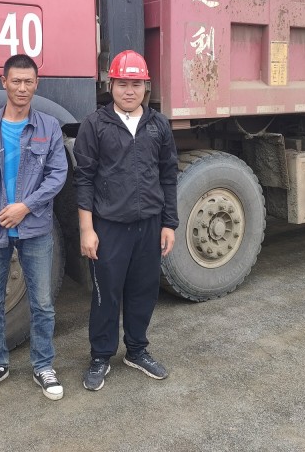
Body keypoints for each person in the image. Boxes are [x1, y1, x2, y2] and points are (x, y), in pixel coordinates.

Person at [0, 54, 67, 400]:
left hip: (34, 227)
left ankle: (43, 365)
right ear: (3, 82)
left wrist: (25, 207)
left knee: (42, 303)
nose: (22, 88)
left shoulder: (49, 127)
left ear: (37, 84)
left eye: (28, 82)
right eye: (16, 81)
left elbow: (58, 175)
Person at [73, 50, 179, 391]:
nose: (129, 91)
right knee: (106, 294)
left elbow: (168, 175)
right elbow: (84, 179)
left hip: (149, 225)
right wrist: (87, 229)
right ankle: (101, 356)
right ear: (111, 85)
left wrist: (169, 223)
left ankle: (136, 350)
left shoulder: (158, 125)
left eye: (136, 84)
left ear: (146, 86)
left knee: (143, 291)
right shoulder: (95, 125)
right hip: (109, 226)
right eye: (122, 84)